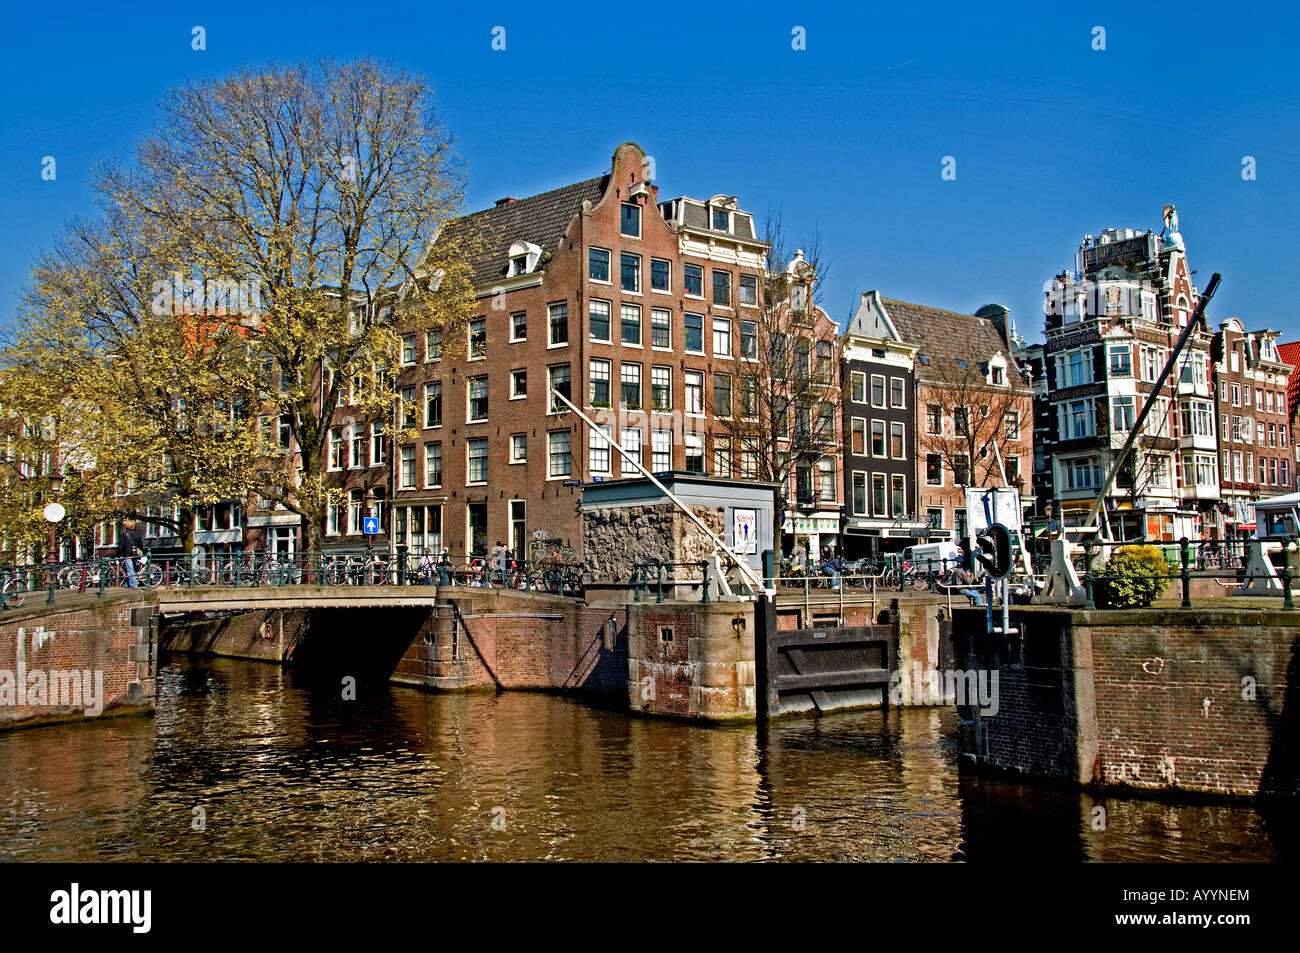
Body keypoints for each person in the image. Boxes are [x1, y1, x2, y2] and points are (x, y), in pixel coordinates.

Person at [116, 519, 145, 588]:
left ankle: (133, 585)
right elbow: (140, 545)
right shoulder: (137, 534)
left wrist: (118, 555)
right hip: (135, 554)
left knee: (129, 569)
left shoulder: (124, 535)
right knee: (132, 569)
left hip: (128, 554)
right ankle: (128, 584)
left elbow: (121, 546)